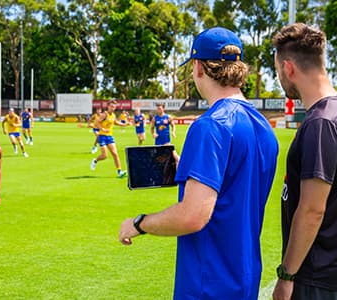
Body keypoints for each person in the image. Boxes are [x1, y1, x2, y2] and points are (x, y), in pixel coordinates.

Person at [119, 27, 279, 299]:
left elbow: (193, 216)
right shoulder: (264, 127)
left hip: (208, 285)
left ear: (199, 68)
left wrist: (139, 223)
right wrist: (192, 169)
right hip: (244, 278)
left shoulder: (210, 126)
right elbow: (234, 186)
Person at [271, 23, 337, 300]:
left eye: (277, 72)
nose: (280, 79)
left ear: (288, 68)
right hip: (334, 265)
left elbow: (312, 210)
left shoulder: (321, 122)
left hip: (316, 272)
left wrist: (287, 275)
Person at [90, 100, 128, 178]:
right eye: (111, 106)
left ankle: (119, 172)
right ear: (108, 106)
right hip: (102, 136)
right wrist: (102, 129)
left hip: (109, 137)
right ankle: (95, 160)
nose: (112, 108)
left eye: (114, 107)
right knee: (104, 156)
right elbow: (96, 123)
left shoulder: (113, 115)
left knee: (115, 154)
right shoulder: (104, 115)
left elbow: (115, 122)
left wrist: (124, 124)